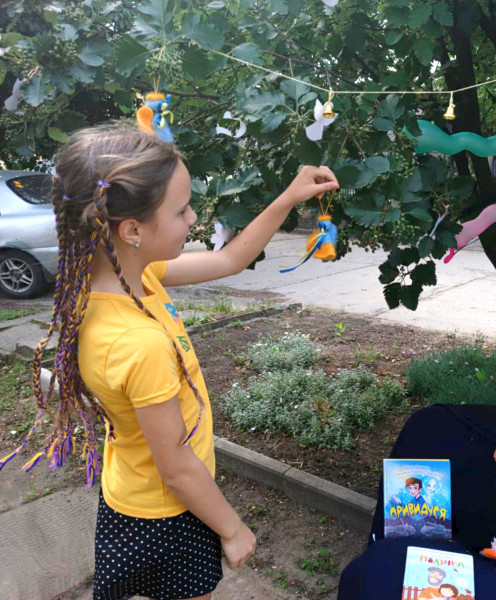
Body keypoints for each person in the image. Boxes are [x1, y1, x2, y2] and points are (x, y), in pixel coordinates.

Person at [0, 122, 339, 600]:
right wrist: (232, 528)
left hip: (132, 494)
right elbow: (177, 466)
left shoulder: (125, 279)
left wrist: (287, 198)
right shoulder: (137, 341)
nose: (194, 216)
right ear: (132, 229)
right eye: (181, 210)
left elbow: (229, 260)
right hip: (169, 513)